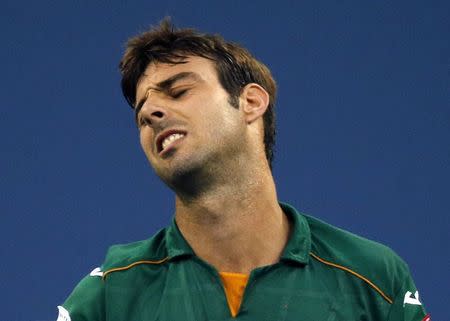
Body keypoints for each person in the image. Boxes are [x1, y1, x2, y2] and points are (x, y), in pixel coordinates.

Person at [56, 19, 430, 321]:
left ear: (251, 102)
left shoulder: (374, 280)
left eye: (179, 91)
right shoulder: (110, 295)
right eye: (141, 114)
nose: (151, 113)